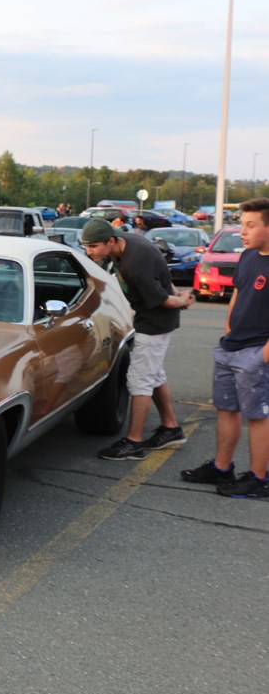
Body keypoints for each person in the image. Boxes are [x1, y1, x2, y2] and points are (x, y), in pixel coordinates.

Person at [79, 218, 194, 461]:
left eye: (93, 246)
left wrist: (182, 300)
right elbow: (163, 277)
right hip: (149, 318)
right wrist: (175, 292)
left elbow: (164, 300)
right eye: (86, 246)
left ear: (110, 241)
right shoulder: (125, 242)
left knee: (139, 381)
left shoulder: (136, 264)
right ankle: (171, 428)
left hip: (154, 323)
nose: (89, 252)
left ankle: (134, 442)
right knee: (154, 374)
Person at [180, 197, 269, 497]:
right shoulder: (248, 256)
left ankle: (259, 478)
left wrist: (263, 357)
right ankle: (222, 467)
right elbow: (238, 295)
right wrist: (228, 332)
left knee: (258, 416)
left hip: (256, 353)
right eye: (242, 225)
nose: (243, 231)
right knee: (226, 409)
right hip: (230, 348)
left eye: (250, 225)